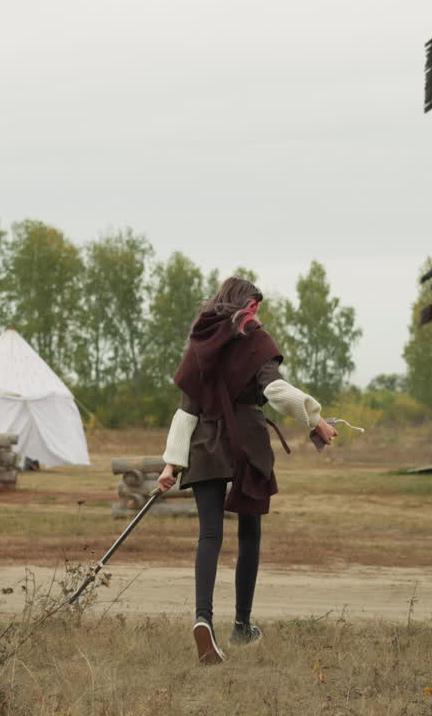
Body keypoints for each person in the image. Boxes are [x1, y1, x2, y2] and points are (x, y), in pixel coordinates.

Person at [155, 276, 336, 665]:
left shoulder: (201, 341)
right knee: (249, 535)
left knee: (209, 534)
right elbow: (275, 391)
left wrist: (172, 462)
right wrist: (315, 419)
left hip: (204, 444)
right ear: (249, 304)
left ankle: (203, 619)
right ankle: (241, 626)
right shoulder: (254, 337)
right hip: (246, 446)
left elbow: (187, 409)